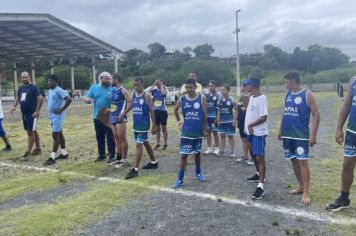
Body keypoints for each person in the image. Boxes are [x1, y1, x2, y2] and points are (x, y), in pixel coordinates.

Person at [278, 71, 320, 204]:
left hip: (301, 136)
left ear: (293, 81)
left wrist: (313, 135)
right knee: (293, 160)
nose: (285, 85)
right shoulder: (288, 94)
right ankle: (301, 187)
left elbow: (316, 115)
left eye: (286, 82)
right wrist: (280, 129)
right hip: (287, 135)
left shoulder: (308, 94)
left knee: (303, 162)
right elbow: (285, 112)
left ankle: (306, 192)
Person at [326, 76, 356, 211]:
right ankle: (344, 199)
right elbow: (347, 104)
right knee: (347, 164)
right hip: (352, 131)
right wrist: (339, 128)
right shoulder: (354, 80)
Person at [173, 78, 207, 188]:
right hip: (186, 131)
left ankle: (198, 173)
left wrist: (205, 129)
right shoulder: (182, 98)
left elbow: (204, 115)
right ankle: (180, 178)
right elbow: (175, 110)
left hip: (197, 131)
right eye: (187, 87)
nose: (188, 89)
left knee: (197, 153)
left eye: (190, 87)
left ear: (195, 87)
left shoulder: (202, 98)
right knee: (184, 155)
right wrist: (179, 121)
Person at [125, 78, 158, 179]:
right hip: (136, 124)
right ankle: (153, 162)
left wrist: (154, 125)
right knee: (145, 142)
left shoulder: (147, 95)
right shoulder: (134, 94)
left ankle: (135, 169)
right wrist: (123, 113)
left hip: (144, 124)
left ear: (142, 84)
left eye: (138, 85)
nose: (136, 87)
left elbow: (152, 111)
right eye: (134, 85)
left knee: (138, 145)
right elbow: (131, 105)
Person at [244, 77, 268, 200]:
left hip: (258, 133)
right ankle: (258, 174)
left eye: (245, 85)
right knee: (254, 155)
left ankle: (261, 186)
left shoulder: (262, 98)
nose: (243, 87)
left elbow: (264, 117)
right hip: (250, 133)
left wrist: (250, 125)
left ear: (252, 85)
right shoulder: (251, 97)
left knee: (259, 157)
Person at [11, 71, 43, 159]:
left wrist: (37, 111)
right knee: (33, 130)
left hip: (32, 114)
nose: (25, 79)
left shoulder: (34, 87)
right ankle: (38, 149)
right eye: (23, 77)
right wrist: (14, 106)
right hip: (24, 114)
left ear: (29, 77)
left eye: (26, 77)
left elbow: (40, 98)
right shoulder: (21, 88)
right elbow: (18, 98)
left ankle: (28, 151)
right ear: (20, 78)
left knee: (30, 132)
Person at [85, 72, 115, 162]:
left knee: (110, 136)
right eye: (106, 78)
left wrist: (110, 110)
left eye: (109, 79)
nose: (108, 80)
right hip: (97, 117)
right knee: (99, 136)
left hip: (109, 116)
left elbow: (117, 103)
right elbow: (88, 97)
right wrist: (87, 99)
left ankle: (112, 155)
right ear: (101, 79)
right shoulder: (94, 87)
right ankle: (101, 155)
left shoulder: (113, 89)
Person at [43, 75, 72, 165]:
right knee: (59, 134)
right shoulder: (50, 90)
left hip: (57, 117)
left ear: (56, 82)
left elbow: (69, 99)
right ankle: (64, 153)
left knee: (55, 135)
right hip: (52, 116)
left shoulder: (59, 90)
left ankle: (52, 157)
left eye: (51, 81)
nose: (49, 83)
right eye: (48, 81)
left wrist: (61, 109)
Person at [109, 72, 131, 168]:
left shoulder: (123, 90)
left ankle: (124, 160)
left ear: (116, 80)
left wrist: (123, 114)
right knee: (116, 137)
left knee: (122, 138)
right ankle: (118, 158)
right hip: (112, 116)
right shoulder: (113, 90)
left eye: (111, 79)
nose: (110, 81)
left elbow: (131, 103)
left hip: (120, 118)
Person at [216, 84, 238, 158]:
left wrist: (234, 120)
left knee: (230, 136)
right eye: (221, 90)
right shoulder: (219, 99)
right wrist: (218, 120)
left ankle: (232, 152)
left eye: (224, 90)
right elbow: (218, 111)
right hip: (222, 122)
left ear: (228, 90)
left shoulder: (231, 99)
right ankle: (222, 151)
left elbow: (236, 110)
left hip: (229, 121)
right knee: (222, 136)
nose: (222, 91)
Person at [147, 80, 169, 150]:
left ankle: (165, 144)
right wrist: (153, 84)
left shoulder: (164, 89)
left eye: (159, 83)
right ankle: (158, 143)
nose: (158, 84)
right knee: (157, 128)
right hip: (155, 111)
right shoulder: (154, 90)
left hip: (163, 111)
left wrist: (162, 85)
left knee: (164, 128)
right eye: (157, 83)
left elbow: (163, 94)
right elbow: (147, 92)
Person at [237, 79, 254, 165]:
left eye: (241, 85)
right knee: (244, 140)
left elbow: (253, 110)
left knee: (250, 140)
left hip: (248, 122)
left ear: (246, 86)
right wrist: (235, 119)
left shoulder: (252, 96)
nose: (240, 87)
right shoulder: (241, 96)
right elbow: (238, 109)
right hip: (241, 121)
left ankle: (252, 158)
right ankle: (245, 156)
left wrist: (246, 109)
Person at [203, 80, 220, 155]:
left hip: (214, 118)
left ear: (215, 86)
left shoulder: (218, 95)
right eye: (209, 86)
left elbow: (218, 108)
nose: (210, 87)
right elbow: (203, 106)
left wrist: (217, 117)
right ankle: (209, 148)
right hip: (207, 117)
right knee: (208, 132)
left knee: (215, 132)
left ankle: (216, 148)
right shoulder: (205, 95)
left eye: (212, 86)